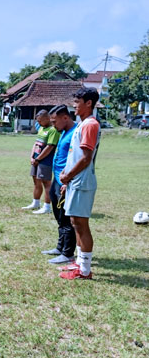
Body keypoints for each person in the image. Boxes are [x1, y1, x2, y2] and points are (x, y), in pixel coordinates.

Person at [59, 88, 101, 280]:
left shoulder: (90, 125)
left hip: (81, 181)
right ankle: (79, 262)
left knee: (81, 224)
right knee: (76, 223)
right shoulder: (82, 124)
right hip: (75, 180)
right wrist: (67, 178)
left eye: (78, 101)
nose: (74, 105)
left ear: (89, 103)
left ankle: (85, 270)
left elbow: (85, 158)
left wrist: (68, 176)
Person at [41, 105, 77, 264]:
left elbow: (77, 158)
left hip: (66, 181)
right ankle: (60, 247)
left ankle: (68, 253)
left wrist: (67, 181)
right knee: (58, 215)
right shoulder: (63, 132)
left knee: (66, 217)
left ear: (65, 118)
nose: (53, 125)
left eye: (55, 121)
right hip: (57, 178)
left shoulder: (76, 133)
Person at [21, 110, 59, 214]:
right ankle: (35, 202)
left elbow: (50, 147)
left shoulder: (53, 130)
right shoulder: (41, 128)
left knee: (46, 183)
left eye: (40, 120)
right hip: (36, 160)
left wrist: (38, 159)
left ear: (47, 118)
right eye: (37, 121)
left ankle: (47, 206)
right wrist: (32, 157)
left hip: (45, 160)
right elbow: (36, 143)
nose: (39, 123)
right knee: (36, 181)